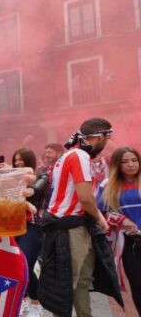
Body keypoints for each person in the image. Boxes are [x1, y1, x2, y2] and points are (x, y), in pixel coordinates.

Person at [38, 118, 123, 317]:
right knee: (68, 283)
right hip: (70, 227)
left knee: (82, 281)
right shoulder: (79, 156)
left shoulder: (71, 154)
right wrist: (101, 220)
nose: (106, 143)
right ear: (100, 136)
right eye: (107, 138)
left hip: (76, 225)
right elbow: (85, 197)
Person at [96, 147, 141, 315]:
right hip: (131, 243)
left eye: (134, 160)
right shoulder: (107, 185)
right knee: (137, 285)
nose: (131, 165)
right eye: (125, 161)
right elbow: (101, 213)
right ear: (117, 165)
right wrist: (122, 219)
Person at [10, 148, 50, 317]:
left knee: (26, 264)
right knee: (14, 265)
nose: (18, 163)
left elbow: (34, 187)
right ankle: (22, 300)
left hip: (32, 226)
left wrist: (21, 183)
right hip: (12, 226)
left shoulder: (42, 176)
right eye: (16, 160)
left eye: (22, 160)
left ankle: (36, 303)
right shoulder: (11, 177)